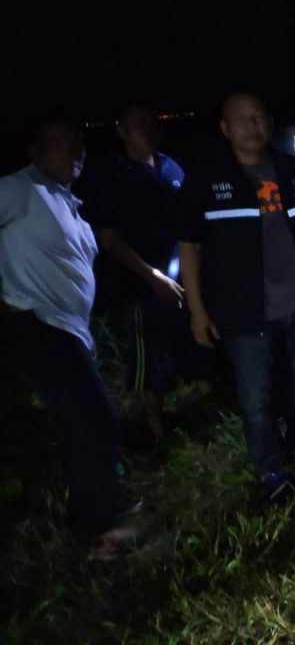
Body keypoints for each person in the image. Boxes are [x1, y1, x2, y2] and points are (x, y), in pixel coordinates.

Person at [177, 92, 295, 500]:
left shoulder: (294, 170)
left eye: (259, 117)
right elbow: (190, 247)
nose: (252, 126)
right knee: (256, 397)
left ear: (269, 123)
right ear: (225, 127)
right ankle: (271, 469)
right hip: (243, 311)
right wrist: (197, 309)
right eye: (242, 118)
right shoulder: (207, 178)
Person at [0, 121, 137, 557]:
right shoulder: (20, 189)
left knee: (83, 418)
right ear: (34, 150)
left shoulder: (67, 202)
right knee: (95, 415)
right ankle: (99, 529)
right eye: (62, 145)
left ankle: (95, 507)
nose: (75, 153)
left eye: (79, 146)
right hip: (36, 323)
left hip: (68, 330)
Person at [86, 104, 213, 442]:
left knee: (196, 343)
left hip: (184, 278)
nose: (148, 130)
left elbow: (190, 218)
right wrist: (151, 276)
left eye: (151, 123)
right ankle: (158, 434)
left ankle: (212, 417)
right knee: (151, 359)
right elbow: (109, 239)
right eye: (138, 125)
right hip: (140, 286)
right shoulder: (112, 176)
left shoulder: (170, 165)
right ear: (122, 130)